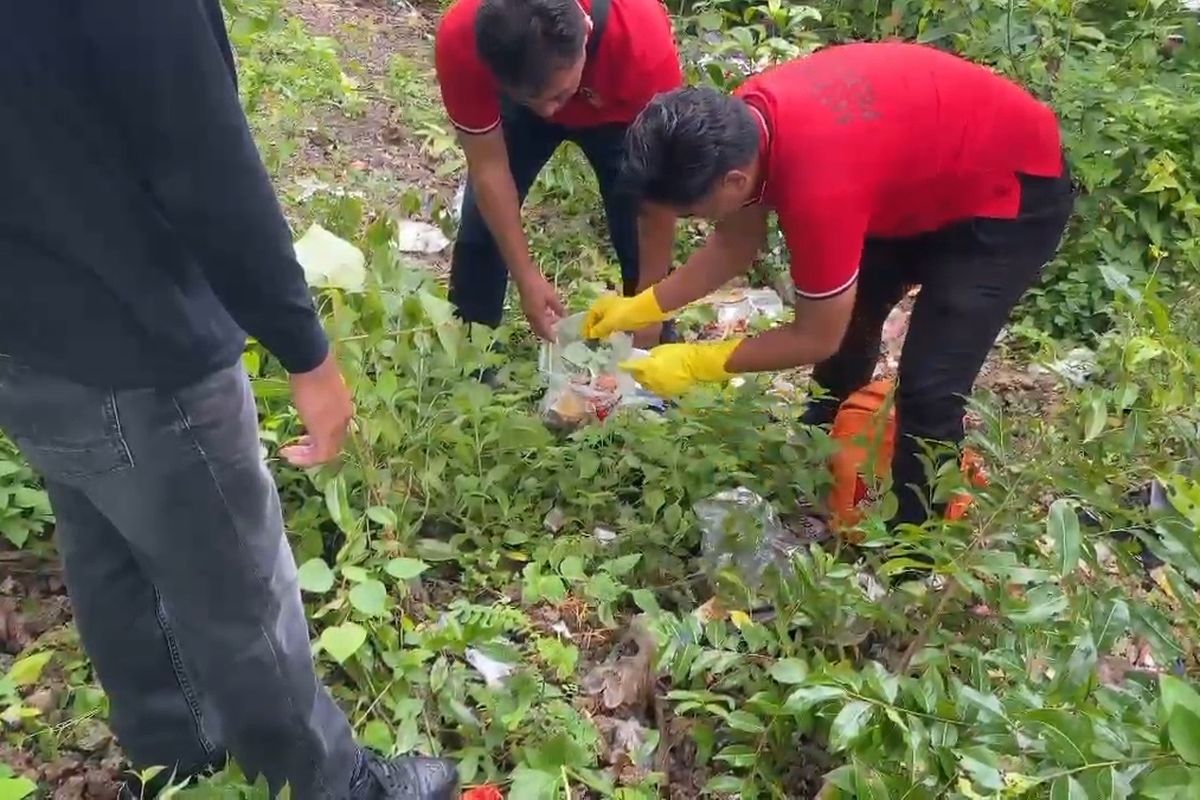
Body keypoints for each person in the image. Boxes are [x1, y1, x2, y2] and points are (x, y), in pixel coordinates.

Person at [0, 4, 455, 799]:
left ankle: (175, 767)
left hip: (26, 342)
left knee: (111, 565)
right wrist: (307, 352)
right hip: (141, 341)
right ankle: (329, 786)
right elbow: (206, 166)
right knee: (242, 596)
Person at [584, 42, 1076, 530]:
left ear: (732, 182)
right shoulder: (738, 126)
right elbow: (735, 243)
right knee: (854, 319)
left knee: (929, 387)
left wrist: (697, 363)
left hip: (1009, 192)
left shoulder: (818, 187)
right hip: (915, 176)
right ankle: (824, 449)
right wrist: (646, 306)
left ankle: (917, 544)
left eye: (693, 212)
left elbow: (816, 336)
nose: (694, 222)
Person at [434, 0, 683, 348]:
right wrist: (526, 277)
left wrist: (649, 309)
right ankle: (468, 352)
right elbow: (489, 168)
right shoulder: (463, 37)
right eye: (532, 101)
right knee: (483, 225)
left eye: (559, 96)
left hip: (620, 112)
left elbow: (658, 201)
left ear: (585, 34)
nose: (548, 112)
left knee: (633, 224)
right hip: (525, 100)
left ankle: (650, 346)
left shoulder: (642, 44)